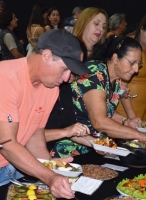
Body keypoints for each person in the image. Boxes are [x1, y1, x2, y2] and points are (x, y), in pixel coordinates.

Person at [0, 29, 90, 199]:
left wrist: (51, 168)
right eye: (64, 69)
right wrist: (50, 177)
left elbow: (35, 134)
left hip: (8, 170)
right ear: (46, 55)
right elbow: (7, 144)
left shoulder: (51, 87)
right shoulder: (5, 78)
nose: (68, 77)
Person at [70, 36, 146, 150]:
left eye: (138, 64)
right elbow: (99, 121)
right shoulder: (95, 73)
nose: (136, 69)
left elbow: (106, 110)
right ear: (116, 58)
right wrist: (140, 136)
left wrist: (126, 122)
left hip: (96, 146)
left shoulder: (116, 80)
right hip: (72, 149)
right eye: (132, 63)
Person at [47, 7, 108, 158]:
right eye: (96, 23)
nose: (100, 29)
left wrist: (96, 144)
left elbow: (67, 124)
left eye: (104, 26)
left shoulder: (100, 56)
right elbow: (31, 135)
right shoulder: (67, 47)